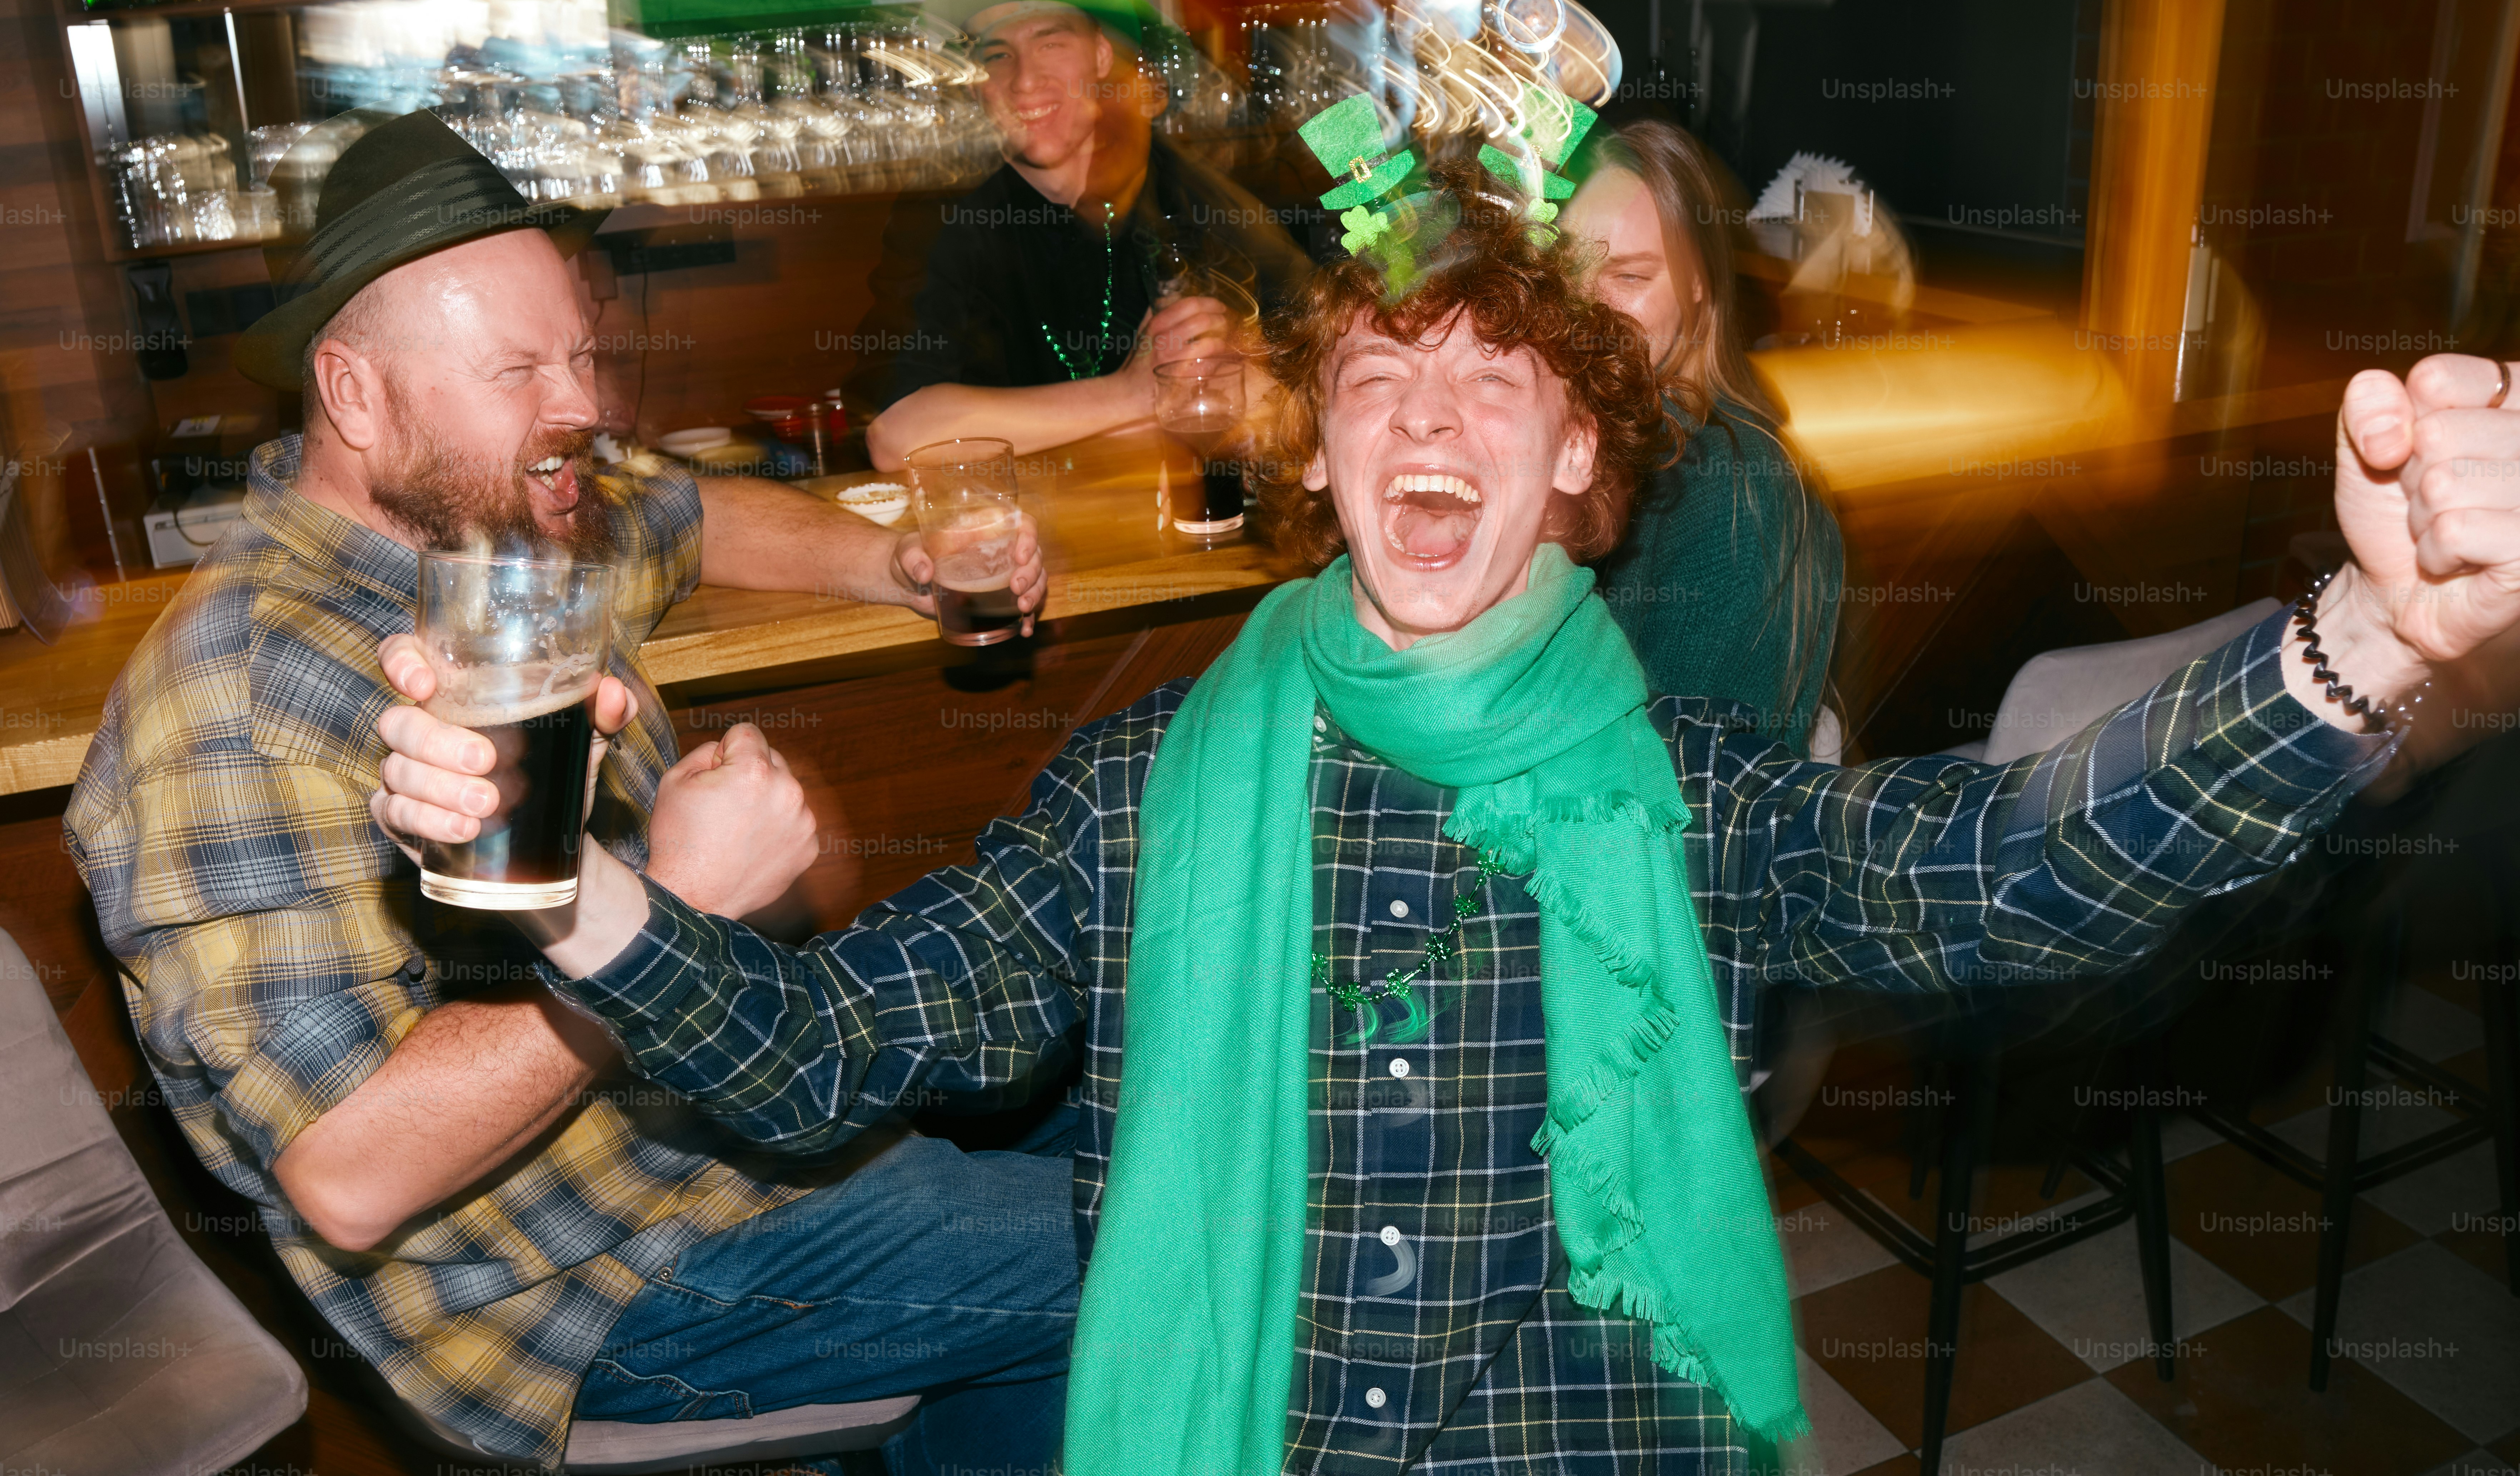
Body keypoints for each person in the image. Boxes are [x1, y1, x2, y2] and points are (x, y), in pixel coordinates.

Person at [371, 170, 2520, 1471]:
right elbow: (833, 1045)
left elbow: (1997, 868)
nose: (1429, 413)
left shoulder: (1683, 790)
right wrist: (581, 903)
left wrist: (2358, 644)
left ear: (1577, 459)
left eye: (1496, 378)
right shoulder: (1137, 786)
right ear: (1319, 452)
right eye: (1379, 376)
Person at [63, 109, 1070, 1474]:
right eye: (519, 366)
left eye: (582, 353)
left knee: (1136, 1106)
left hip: (734, 1118)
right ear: (354, 394)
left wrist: (896, 568)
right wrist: (677, 898)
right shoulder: (238, 706)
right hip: (591, 1285)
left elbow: (686, 511)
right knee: (1174, 1240)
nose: (582, 403)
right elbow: (348, 1175)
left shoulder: (505, 525)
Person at [853, 0, 1308, 466]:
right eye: (997, 54)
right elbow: (894, 436)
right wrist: (1135, 393)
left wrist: (1250, 357)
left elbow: (1319, 363)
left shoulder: (1192, 193)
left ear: (1100, 57)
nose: (1024, 81)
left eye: (1050, 43)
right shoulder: (943, 216)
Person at [1564, 120, 1844, 755]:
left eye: (1628, 278)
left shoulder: (1731, 484)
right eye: (1569, 273)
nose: (1586, 308)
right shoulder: (1598, 446)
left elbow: (1676, 771)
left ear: (1698, 283)